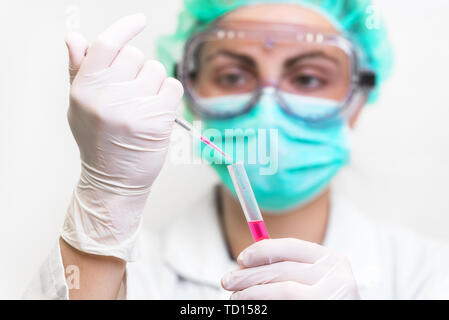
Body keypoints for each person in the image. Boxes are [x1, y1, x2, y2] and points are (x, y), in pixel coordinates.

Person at [24, 0, 449, 300]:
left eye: (309, 78)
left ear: (356, 100)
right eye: (231, 76)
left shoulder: (428, 276)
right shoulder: (128, 277)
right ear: (187, 93)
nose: (267, 107)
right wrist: (105, 202)